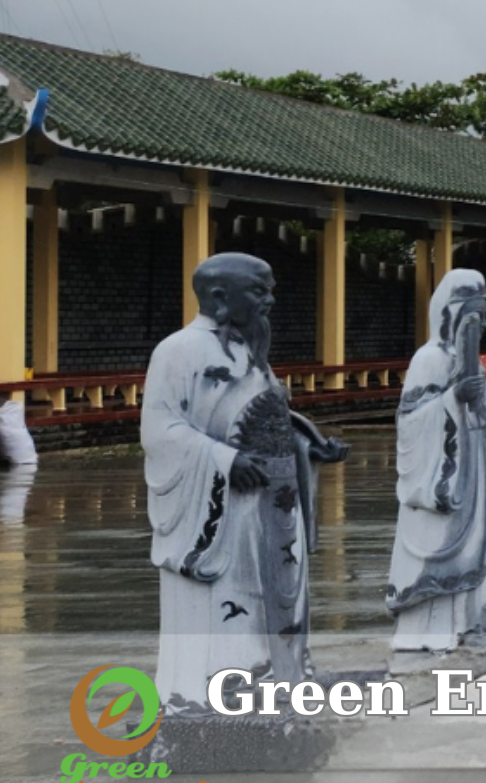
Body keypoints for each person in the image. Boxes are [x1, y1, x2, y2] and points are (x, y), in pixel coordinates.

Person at [142, 252, 348, 711]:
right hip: (221, 510)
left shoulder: (249, 352)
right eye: (260, 291)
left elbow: (265, 417)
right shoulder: (178, 351)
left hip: (272, 508)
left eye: (270, 289)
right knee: (228, 606)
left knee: (277, 598)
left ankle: (281, 683)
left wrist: (308, 445)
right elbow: (160, 430)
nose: (270, 300)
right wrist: (223, 460)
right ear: (219, 296)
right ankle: (211, 696)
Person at [387, 269, 486, 651]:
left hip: (480, 473)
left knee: (484, 544)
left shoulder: (472, 361)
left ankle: (482, 617)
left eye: (485, 315)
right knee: (454, 546)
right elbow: (409, 420)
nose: (484, 324)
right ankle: (439, 624)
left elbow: (483, 414)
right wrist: (452, 399)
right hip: (451, 475)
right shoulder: (428, 360)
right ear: (452, 314)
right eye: (476, 316)